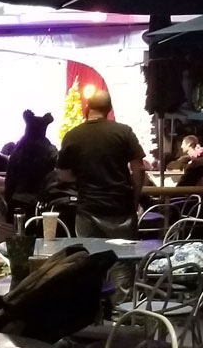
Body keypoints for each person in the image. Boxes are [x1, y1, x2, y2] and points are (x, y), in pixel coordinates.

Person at [57, 89, 144, 240]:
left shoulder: (73, 135)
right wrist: (135, 200)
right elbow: (139, 168)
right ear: (109, 109)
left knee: (91, 258)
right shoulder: (124, 132)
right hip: (120, 207)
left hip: (88, 207)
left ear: (87, 108)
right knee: (124, 258)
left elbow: (63, 175)